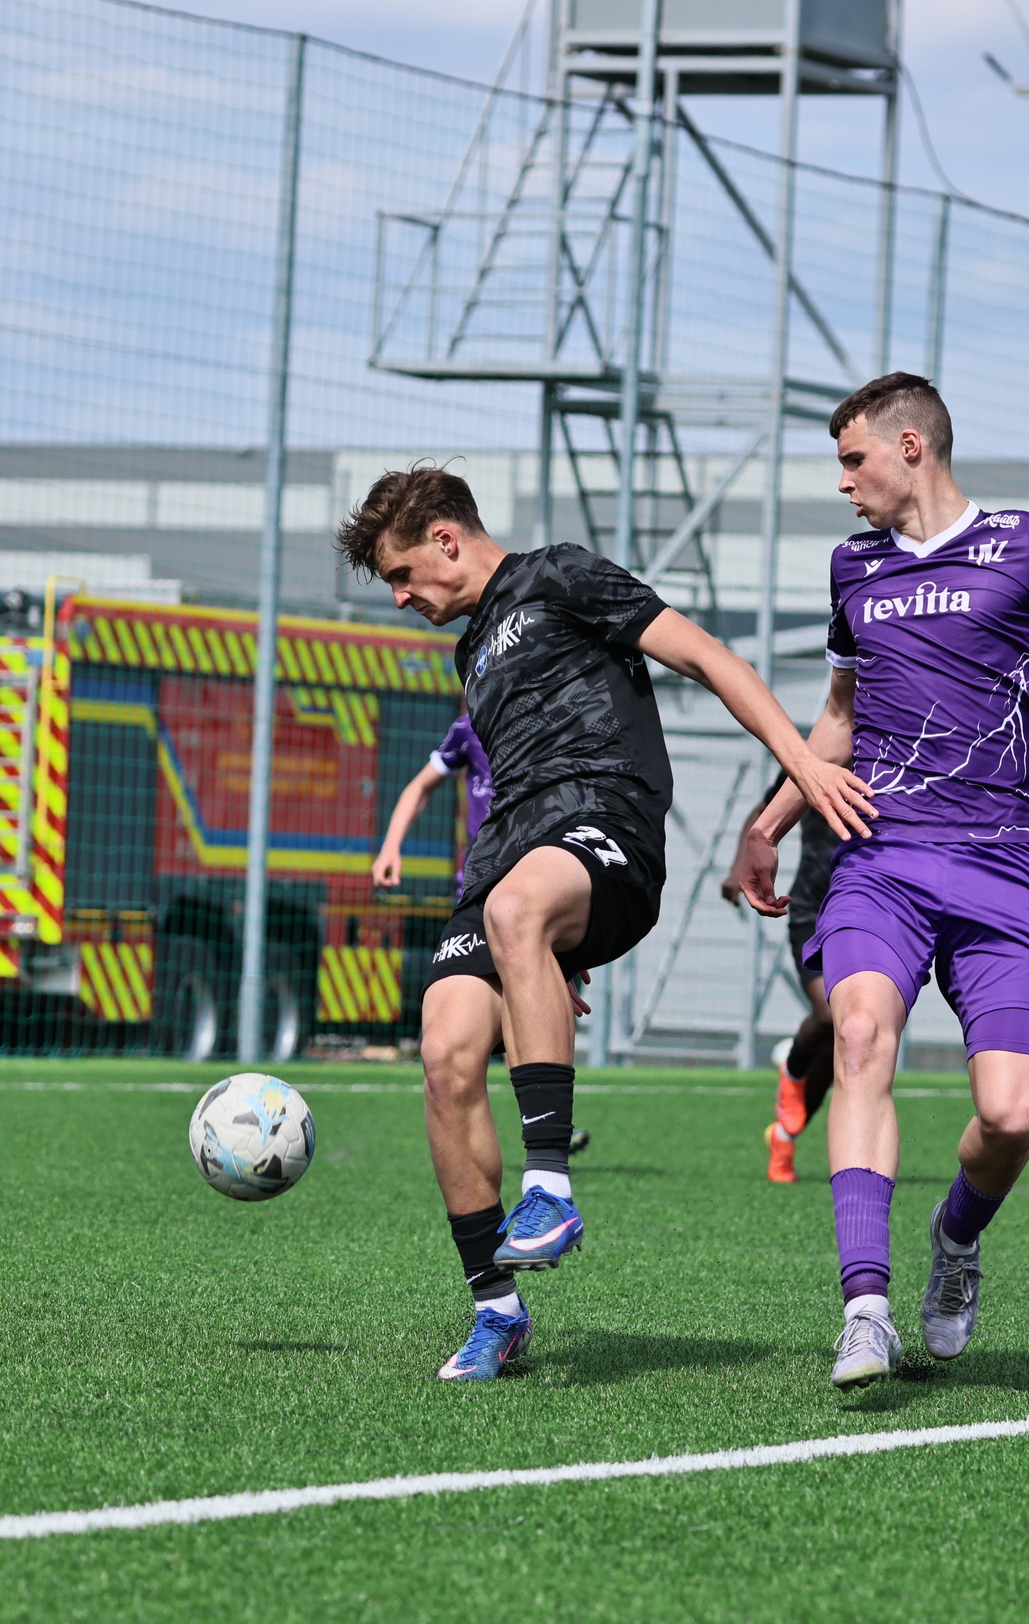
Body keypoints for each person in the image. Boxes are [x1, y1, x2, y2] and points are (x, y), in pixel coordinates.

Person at [337, 465, 871, 1382]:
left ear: (446, 540)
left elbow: (710, 658)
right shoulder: (471, 653)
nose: (399, 596)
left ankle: (549, 1183)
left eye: (401, 573)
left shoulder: (560, 574)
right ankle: (496, 1310)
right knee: (445, 1053)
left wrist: (799, 772)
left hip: (606, 821)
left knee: (517, 908)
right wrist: (550, 958)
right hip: (509, 858)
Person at [741, 373, 1029, 1391]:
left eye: (853, 459)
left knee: (1009, 1116)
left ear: (911, 446)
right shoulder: (854, 567)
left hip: (1001, 863)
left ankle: (957, 1236)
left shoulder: (1026, 548)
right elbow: (839, 717)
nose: (844, 482)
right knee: (857, 1033)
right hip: (880, 855)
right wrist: (768, 820)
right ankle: (865, 1309)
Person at [374, 719, 596, 1159]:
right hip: (478, 888)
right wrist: (390, 846)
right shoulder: (468, 730)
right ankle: (534, 1121)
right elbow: (420, 786)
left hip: (531, 886)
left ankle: (548, 1121)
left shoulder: (551, 721)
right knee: (459, 1033)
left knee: (527, 997)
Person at [723, 775, 839, 1183]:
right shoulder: (817, 758)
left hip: (869, 913)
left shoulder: (902, 757)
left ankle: (786, 1136)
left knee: (845, 1044)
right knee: (830, 1015)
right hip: (812, 911)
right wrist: (739, 870)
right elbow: (764, 813)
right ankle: (791, 1075)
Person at [372, 712, 491, 896]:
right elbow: (419, 787)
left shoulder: (540, 726)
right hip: (479, 878)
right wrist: (390, 848)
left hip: (530, 870)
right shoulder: (471, 726)